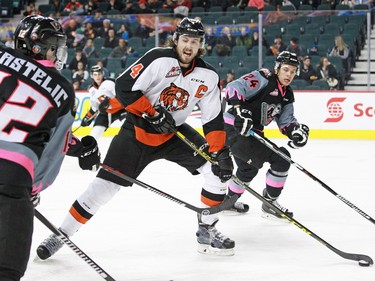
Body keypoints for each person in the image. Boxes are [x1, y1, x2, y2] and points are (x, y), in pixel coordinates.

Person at [36, 17, 236, 260]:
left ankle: (207, 228)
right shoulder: (158, 58)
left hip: (175, 133)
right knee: (104, 187)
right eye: (185, 40)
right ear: (176, 40)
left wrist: (219, 152)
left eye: (194, 42)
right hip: (137, 131)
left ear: (201, 45)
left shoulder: (209, 76)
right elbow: (124, 86)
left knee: (216, 171)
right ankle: (61, 233)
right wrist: (151, 114)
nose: (189, 46)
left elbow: (213, 119)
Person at [0, 15, 100, 281]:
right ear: (37, 46)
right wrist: (31, 189)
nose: (58, 53)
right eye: (54, 46)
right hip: (12, 178)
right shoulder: (62, 90)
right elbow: (53, 147)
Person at [223, 51, 310, 218]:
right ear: (277, 68)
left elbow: (286, 121)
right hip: (235, 127)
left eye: (293, 71)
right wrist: (241, 112)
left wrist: (295, 132)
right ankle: (270, 203)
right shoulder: (263, 77)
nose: (289, 74)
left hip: (251, 132)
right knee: (281, 159)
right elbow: (234, 87)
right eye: (285, 69)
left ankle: (229, 201)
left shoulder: (287, 94)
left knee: (247, 169)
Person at [79, 65, 127, 139]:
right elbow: (95, 106)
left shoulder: (110, 83)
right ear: (92, 76)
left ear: (102, 74)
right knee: (94, 135)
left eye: (99, 74)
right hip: (106, 113)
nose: (97, 76)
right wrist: (87, 117)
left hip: (122, 110)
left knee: (128, 131)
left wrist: (110, 103)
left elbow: (123, 97)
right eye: (95, 74)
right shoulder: (92, 90)